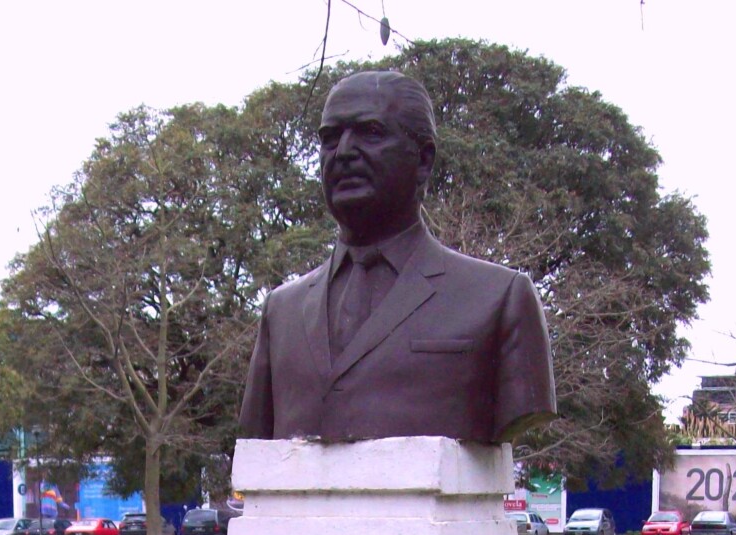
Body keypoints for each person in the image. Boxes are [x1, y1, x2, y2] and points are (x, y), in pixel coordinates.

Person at [238, 69, 556, 446]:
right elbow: (256, 439)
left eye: (370, 133)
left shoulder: (500, 298)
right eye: (329, 138)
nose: (343, 153)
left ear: (423, 159)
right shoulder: (282, 311)